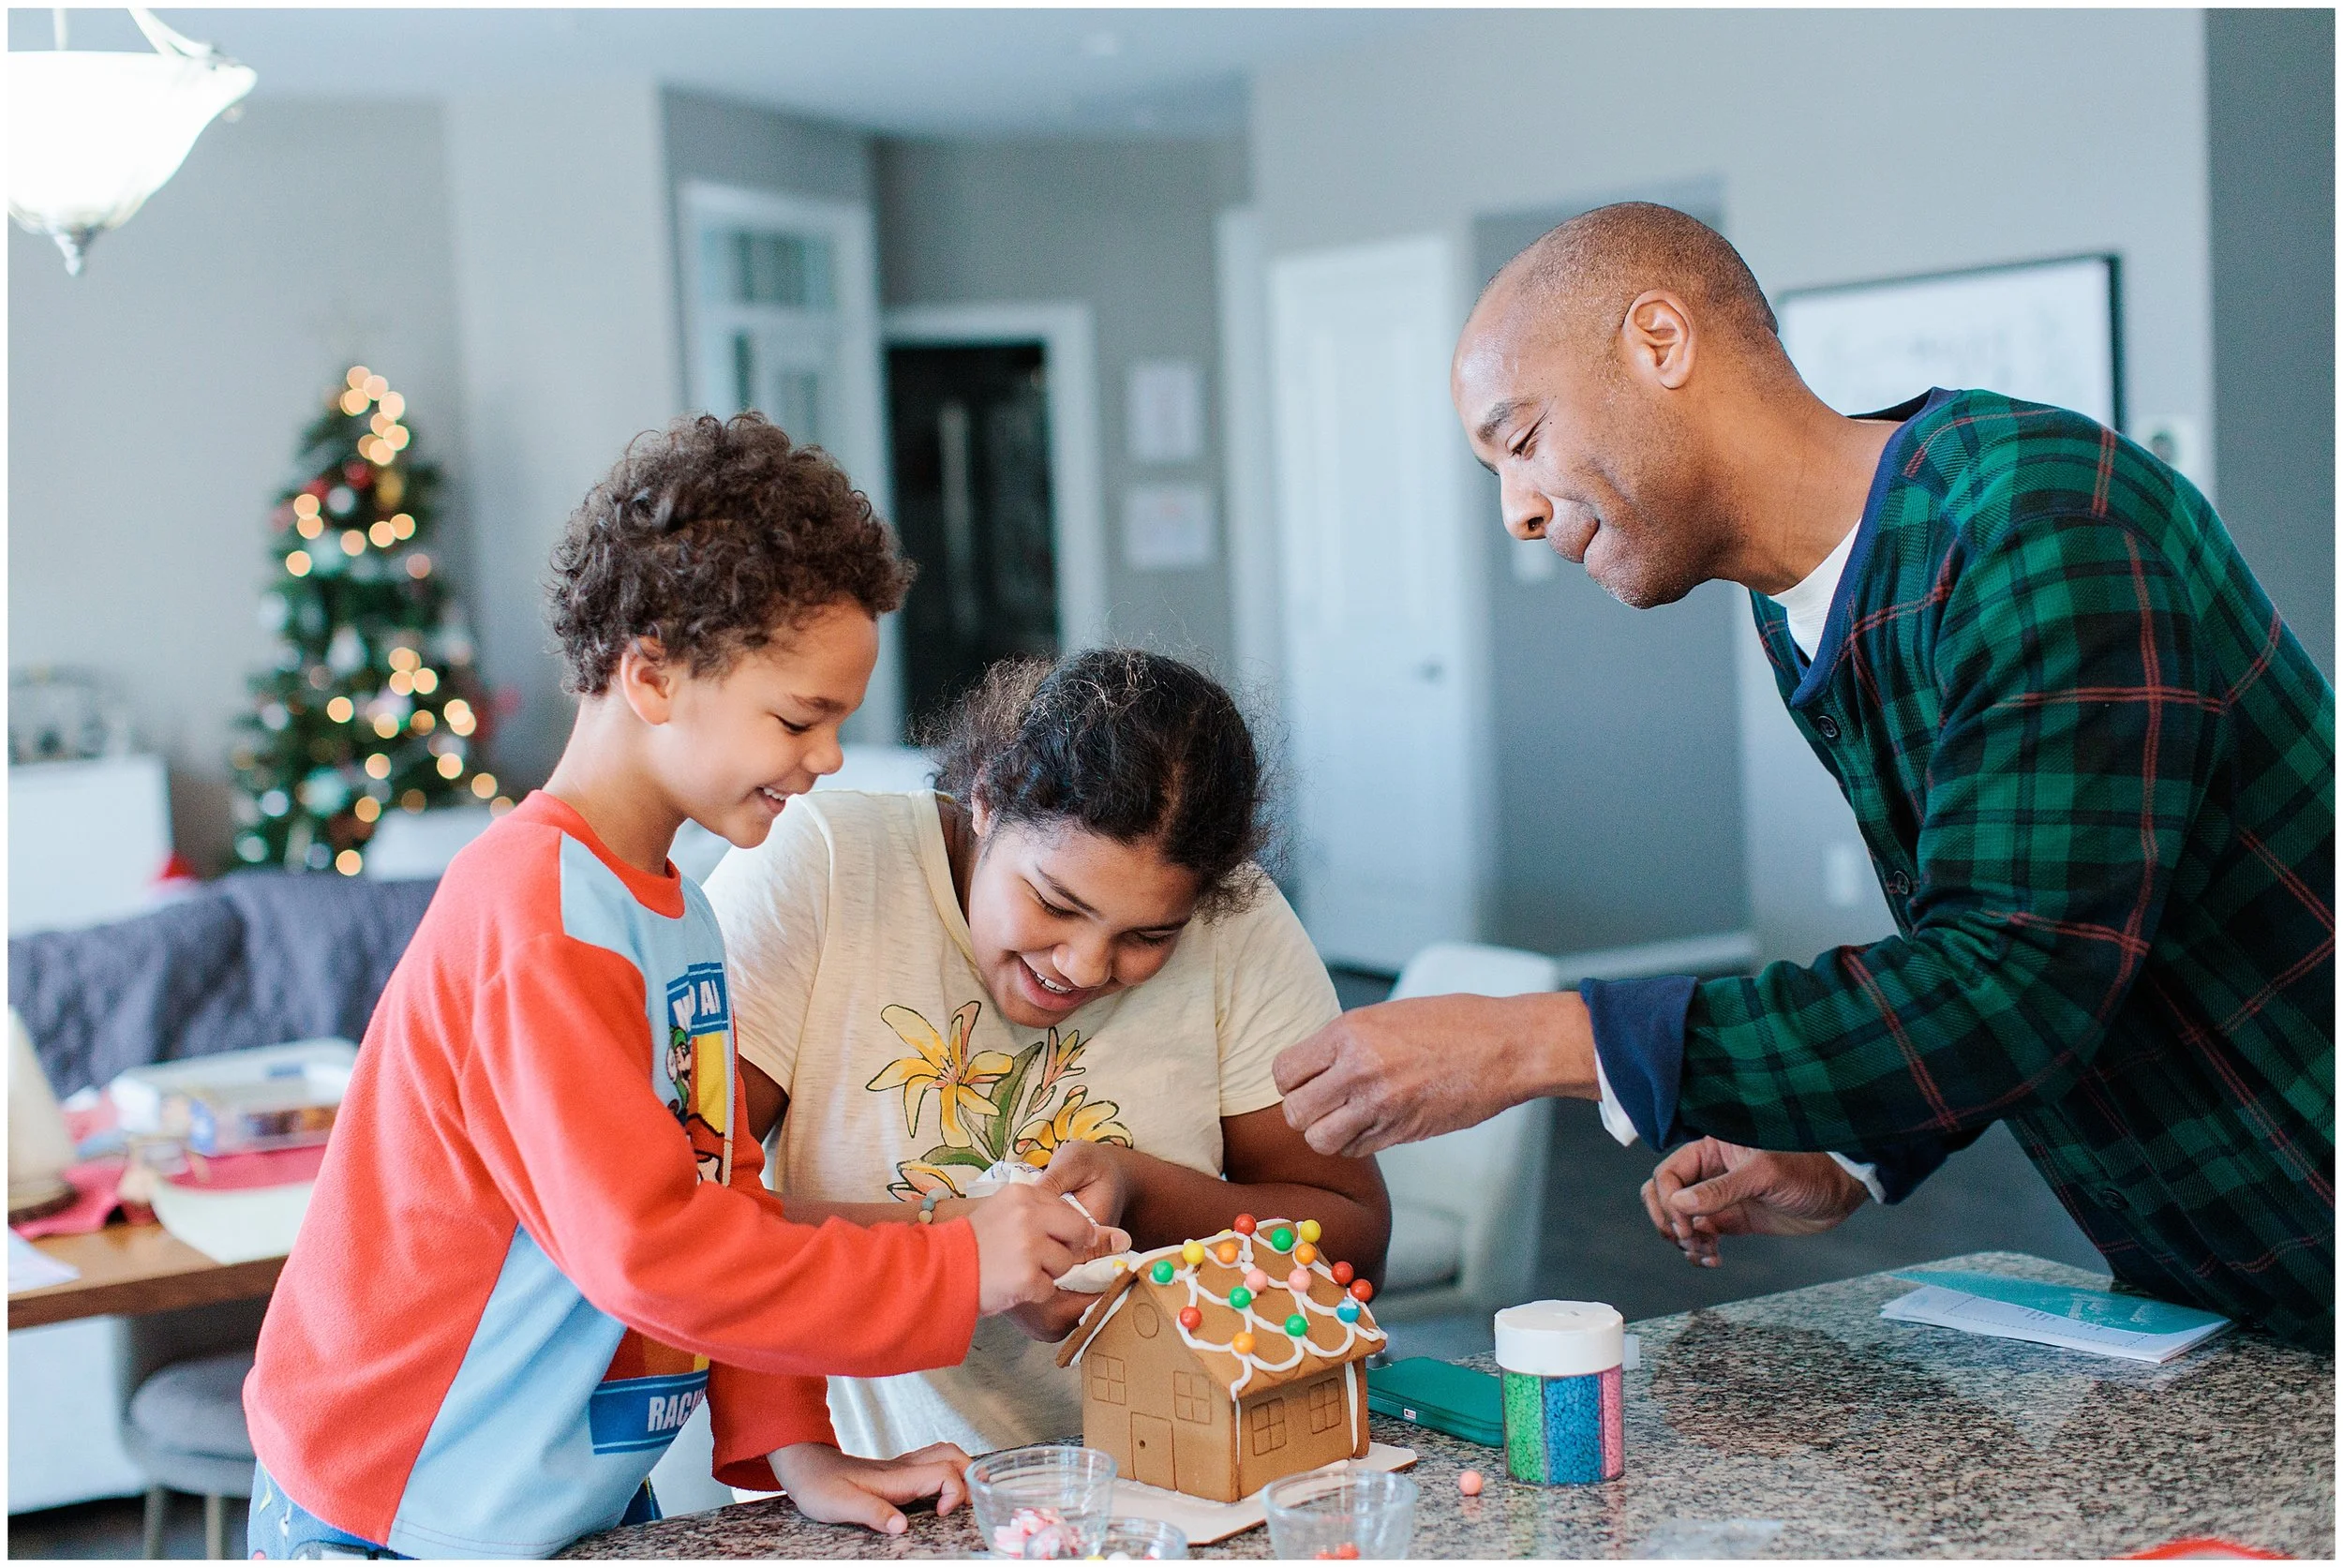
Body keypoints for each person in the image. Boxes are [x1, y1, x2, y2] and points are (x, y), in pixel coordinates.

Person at [1273, 202, 2335, 1347]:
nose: (1519, 513)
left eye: (1520, 439)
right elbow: (2004, 930)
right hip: (2217, 1260)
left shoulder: (2037, 518)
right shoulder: (1805, 614)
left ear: (1661, 342)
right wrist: (1850, 1146)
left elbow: (2019, 980)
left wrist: (1535, 1039)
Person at [242, 413, 1102, 1560]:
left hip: (554, 1499)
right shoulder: (535, 917)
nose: (831, 755)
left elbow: (722, 1195)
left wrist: (799, 1446)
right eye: (800, 716)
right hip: (394, 1507)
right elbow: (649, 1250)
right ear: (650, 672)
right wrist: (955, 1264)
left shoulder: (678, 909)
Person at [703, 648, 1392, 1457]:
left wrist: (1137, 1189)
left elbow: (1352, 1238)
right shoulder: (822, 866)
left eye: (1148, 936)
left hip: (1180, 1483)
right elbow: (685, 1215)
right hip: (902, 1491)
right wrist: (957, 1247)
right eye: (1055, 903)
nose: (1084, 966)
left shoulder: (1237, 922)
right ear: (988, 799)